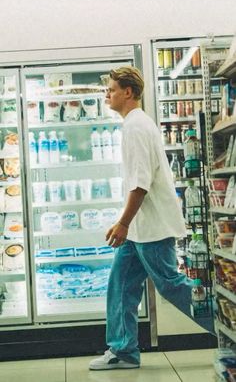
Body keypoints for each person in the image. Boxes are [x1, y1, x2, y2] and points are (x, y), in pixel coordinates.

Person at [89, 66, 214, 371]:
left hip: (151, 227)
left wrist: (123, 223)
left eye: (112, 89)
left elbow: (140, 184)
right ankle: (124, 351)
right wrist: (127, 225)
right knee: (120, 284)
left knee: (171, 285)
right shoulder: (134, 124)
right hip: (140, 229)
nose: (107, 94)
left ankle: (227, 325)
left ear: (127, 92)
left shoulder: (136, 127)